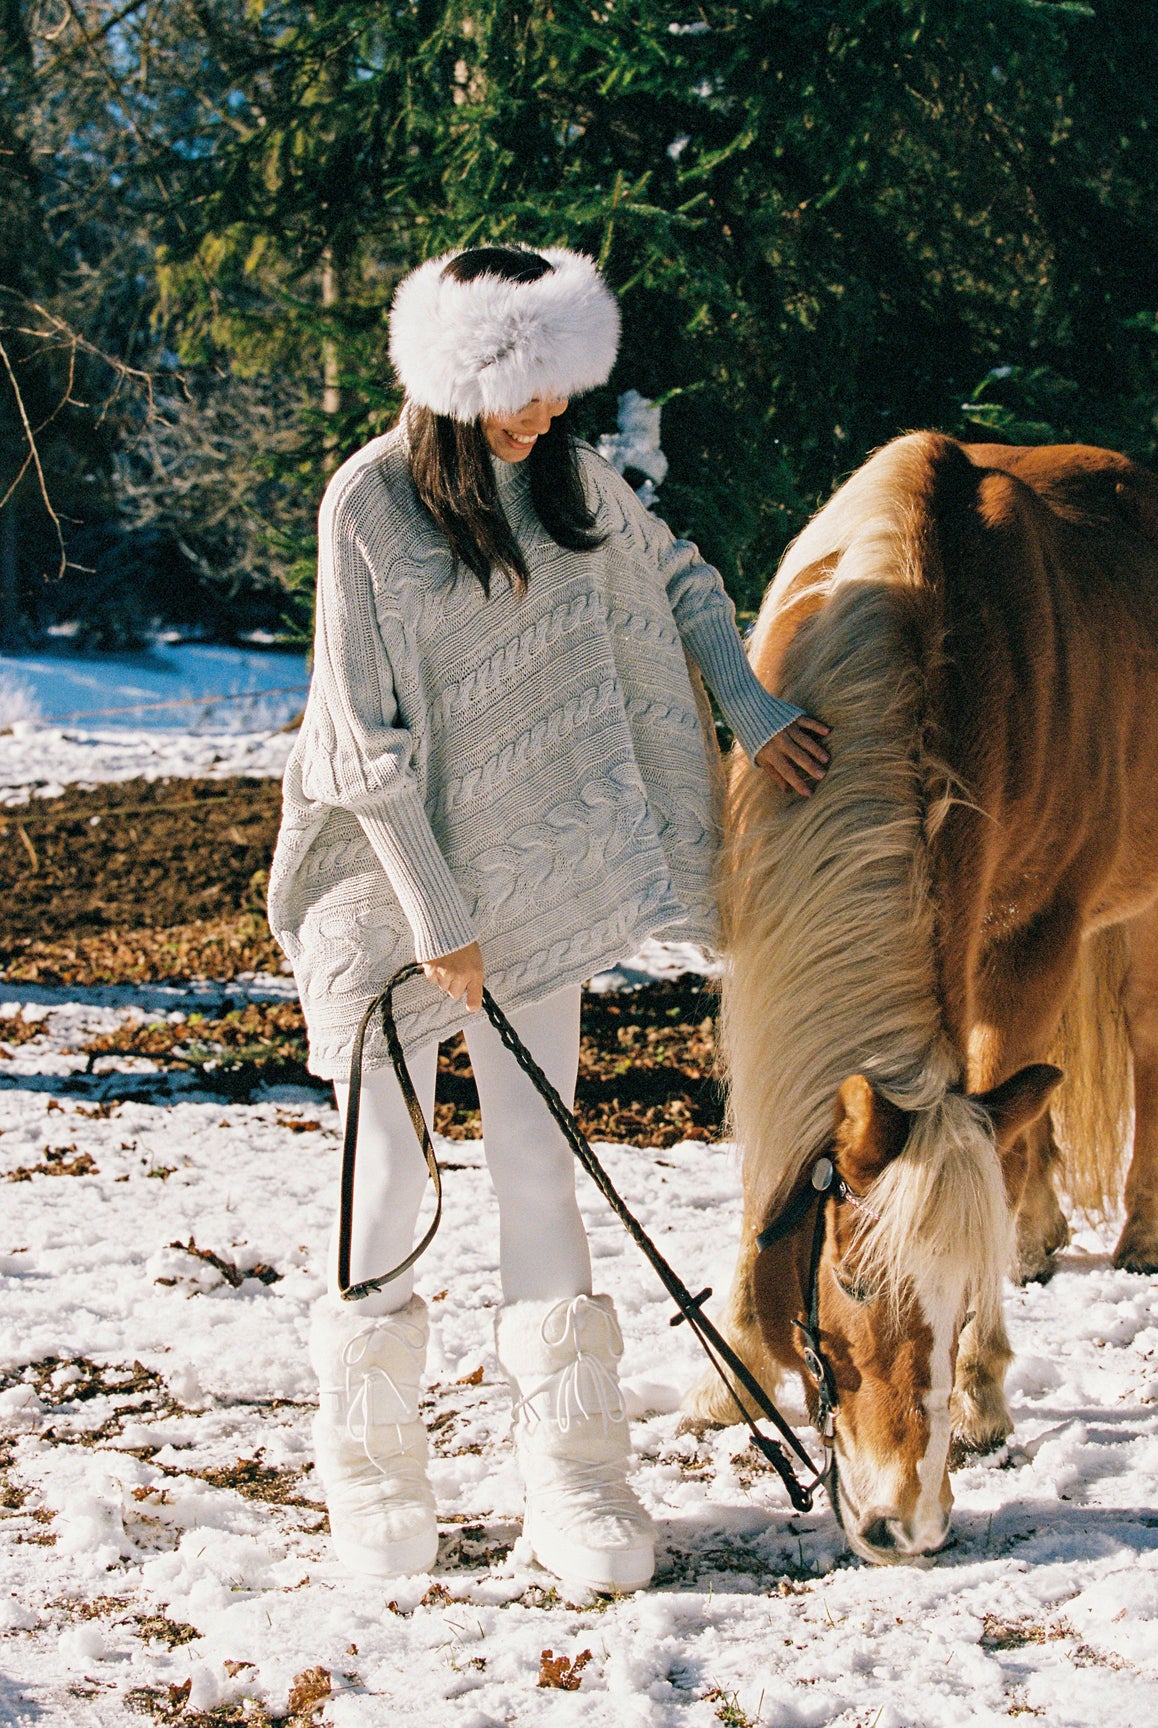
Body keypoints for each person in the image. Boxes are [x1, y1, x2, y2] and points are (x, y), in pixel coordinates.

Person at [267, 244, 830, 1594]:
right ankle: (370, 1465)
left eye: (561, 392)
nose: (542, 420)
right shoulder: (370, 503)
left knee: (539, 1162)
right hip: (385, 891)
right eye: (520, 395)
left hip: (538, 880)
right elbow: (361, 747)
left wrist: (749, 712)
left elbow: (682, 581)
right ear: (452, 385)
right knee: (389, 1174)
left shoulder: (574, 486)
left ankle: (573, 1473)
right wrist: (436, 916)